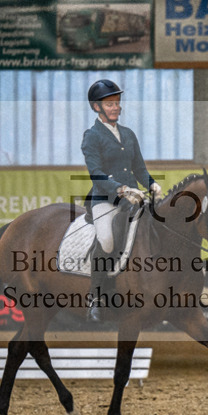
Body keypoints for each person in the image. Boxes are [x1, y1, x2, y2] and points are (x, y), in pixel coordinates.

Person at [81, 78, 162, 321]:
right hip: (105, 199)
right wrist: (122, 189)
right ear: (97, 107)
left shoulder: (128, 134)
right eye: (109, 104)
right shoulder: (91, 136)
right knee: (106, 240)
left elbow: (140, 168)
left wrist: (152, 184)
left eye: (117, 103)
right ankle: (95, 297)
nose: (116, 107)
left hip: (133, 200)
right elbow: (96, 174)